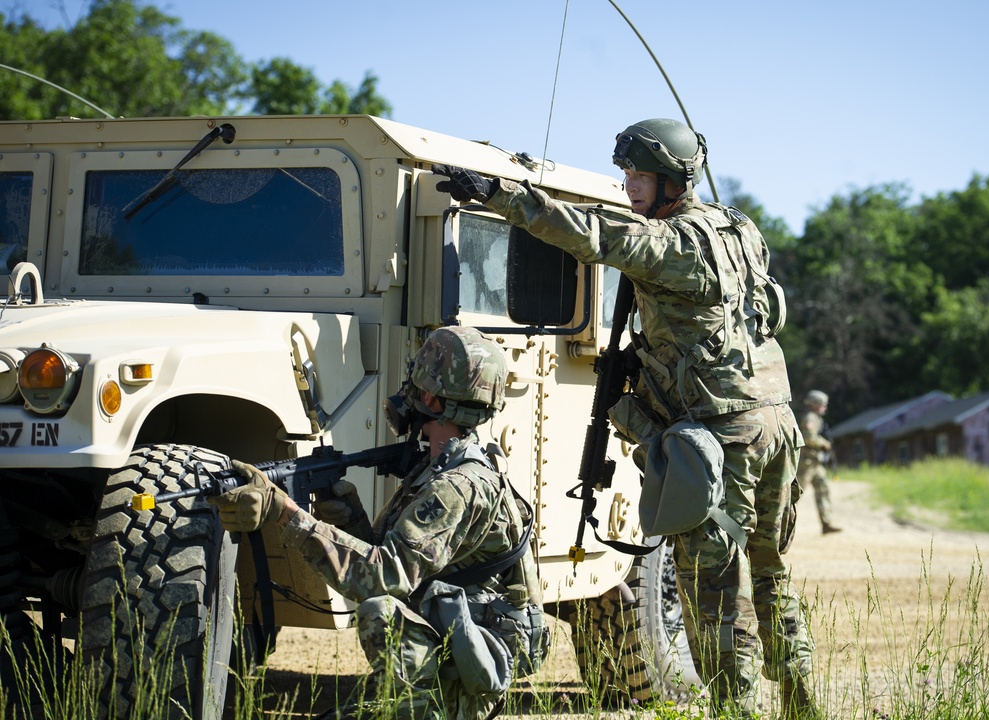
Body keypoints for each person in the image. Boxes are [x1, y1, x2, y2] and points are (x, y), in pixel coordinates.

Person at [434, 118, 819, 719]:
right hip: (775, 419)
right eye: (627, 172)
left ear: (672, 180)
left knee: (712, 594)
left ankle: (736, 711)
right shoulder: (739, 228)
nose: (629, 184)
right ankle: (802, 703)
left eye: (640, 174)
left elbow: (591, 236)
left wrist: (497, 194)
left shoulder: (673, 245)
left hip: (725, 434)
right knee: (768, 572)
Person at [208, 326, 548, 720]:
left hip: (472, 669)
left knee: (380, 612)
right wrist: (351, 519)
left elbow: (384, 577)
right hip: (459, 640)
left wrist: (283, 513)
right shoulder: (445, 465)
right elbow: (407, 562)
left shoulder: (457, 485)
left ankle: (435, 706)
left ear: (430, 398)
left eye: (417, 384)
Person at [797, 389, 841, 535]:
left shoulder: (816, 418)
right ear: (815, 404)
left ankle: (826, 523)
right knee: (796, 493)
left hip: (815, 463)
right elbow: (808, 438)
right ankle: (779, 522)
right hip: (807, 463)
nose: (825, 407)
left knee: (823, 489)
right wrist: (824, 444)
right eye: (823, 404)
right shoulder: (810, 418)